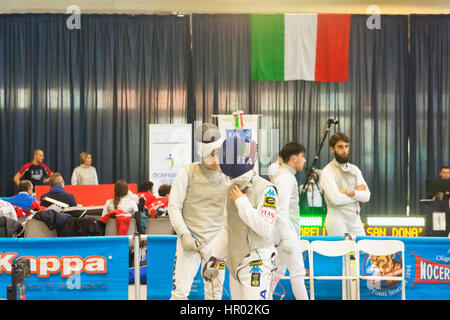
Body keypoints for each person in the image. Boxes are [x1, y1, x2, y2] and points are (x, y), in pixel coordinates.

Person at [202, 135, 278, 300]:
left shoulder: (267, 189)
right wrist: (215, 257)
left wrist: (241, 201)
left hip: (258, 262)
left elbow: (264, 228)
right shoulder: (232, 188)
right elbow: (227, 229)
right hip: (235, 264)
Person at [168, 122, 228, 300]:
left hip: (217, 243)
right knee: (179, 294)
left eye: (218, 153)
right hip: (190, 241)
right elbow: (174, 207)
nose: (216, 158)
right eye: (212, 154)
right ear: (204, 153)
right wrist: (184, 234)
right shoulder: (187, 173)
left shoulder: (228, 175)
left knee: (214, 294)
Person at [270, 142, 309, 300]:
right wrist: (287, 237)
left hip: (281, 232)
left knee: (276, 273)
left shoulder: (284, 174)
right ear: (294, 158)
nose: (305, 160)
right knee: (298, 272)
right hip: (285, 232)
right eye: (302, 156)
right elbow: (282, 210)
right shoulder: (285, 177)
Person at [319, 132, 371, 237]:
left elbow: (367, 196)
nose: (344, 151)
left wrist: (349, 192)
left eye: (346, 147)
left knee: (361, 250)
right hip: (337, 220)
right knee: (342, 252)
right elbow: (335, 199)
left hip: (355, 219)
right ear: (332, 149)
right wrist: (357, 195)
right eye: (340, 147)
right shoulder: (327, 171)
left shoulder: (355, 169)